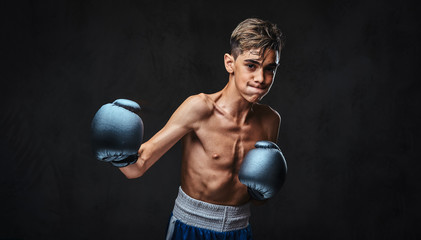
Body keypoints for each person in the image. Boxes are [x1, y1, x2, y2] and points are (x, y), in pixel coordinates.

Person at [92, 17, 286, 240]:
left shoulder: (271, 120)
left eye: (270, 69)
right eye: (251, 65)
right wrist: (117, 156)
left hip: (240, 230)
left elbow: (259, 196)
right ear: (229, 63)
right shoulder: (199, 108)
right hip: (191, 228)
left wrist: (263, 191)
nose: (261, 78)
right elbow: (140, 165)